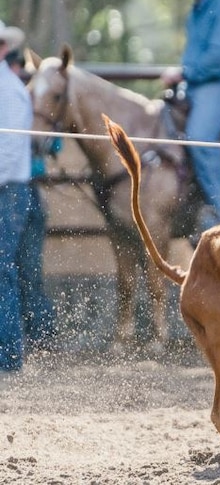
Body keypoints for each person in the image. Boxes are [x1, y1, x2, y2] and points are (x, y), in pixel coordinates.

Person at [160, 0, 220, 236]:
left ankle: (218, 215)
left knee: (199, 136)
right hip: (197, 84)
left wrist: (185, 72)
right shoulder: (199, 7)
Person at [0, 21, 56, 371]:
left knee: (4, 270)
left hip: (7, 190)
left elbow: (6, 150)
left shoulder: (6, 90)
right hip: (11, 188)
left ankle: (8, 355)